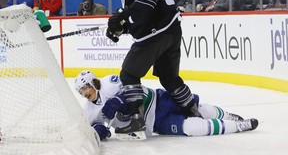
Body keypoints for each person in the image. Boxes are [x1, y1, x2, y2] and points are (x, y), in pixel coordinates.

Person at [106, 0, 201, 139]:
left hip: (157, 32)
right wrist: (121, 27)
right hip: (170, 31)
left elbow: (148, 2)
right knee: (168, 77)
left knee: (129, 74)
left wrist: (123, 14)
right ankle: (193, 111)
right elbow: (144, 12)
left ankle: (136, 120)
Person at [74, 71, 259, 141]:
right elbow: (91, 129)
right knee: (190, 128)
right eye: (81, 92)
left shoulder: (110, 83)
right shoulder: (90, 111)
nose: (84, 93)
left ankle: (228, 115)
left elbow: (136, 88)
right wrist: (98, 131)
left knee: (198, 109)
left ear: (93, 83)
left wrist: (120, 100)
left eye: (85, 88)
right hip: (154, 124)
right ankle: (237, 127)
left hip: (158, 100)